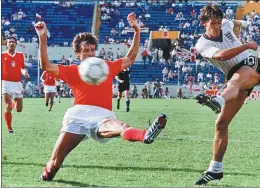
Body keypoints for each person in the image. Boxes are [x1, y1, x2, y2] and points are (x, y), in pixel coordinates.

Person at [35, 13, 167, 181]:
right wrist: (42, 37)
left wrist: (137, 31)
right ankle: (47, 174)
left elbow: (131, 58)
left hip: (102, 115)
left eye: (92, 50)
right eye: (85, 51)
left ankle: (145, 134)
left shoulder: (105, 67)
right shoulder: (72, 70)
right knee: (54, 164)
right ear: (78, 54)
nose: (90, 54)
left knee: (121, 126)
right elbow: (46, 66)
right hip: (77, 115)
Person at [194, 4, 260, 185]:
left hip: (251, 64)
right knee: (221, 123)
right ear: (204, 23)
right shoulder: (202, 45)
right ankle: (215, 169)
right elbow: (223, 56)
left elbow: (236, 22)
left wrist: (244, 26)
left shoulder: (226, 23)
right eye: (213, 23)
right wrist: (246, 44)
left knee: (233, 82)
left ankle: (217, 100)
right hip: (235, 75)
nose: (217, 26)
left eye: (218, 22)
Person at [1, 36, 30, 133]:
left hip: (17, 84)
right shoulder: (2, 55)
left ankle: (13, 103)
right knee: (8, 106)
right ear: (6, 44)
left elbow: (22, 68)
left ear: (16, 44)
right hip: (5, 83)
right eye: (10, 42)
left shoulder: (20, 55)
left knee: (19, 109)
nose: (11, 43)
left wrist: (25, 73)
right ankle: (9, 128)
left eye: (13, 42)